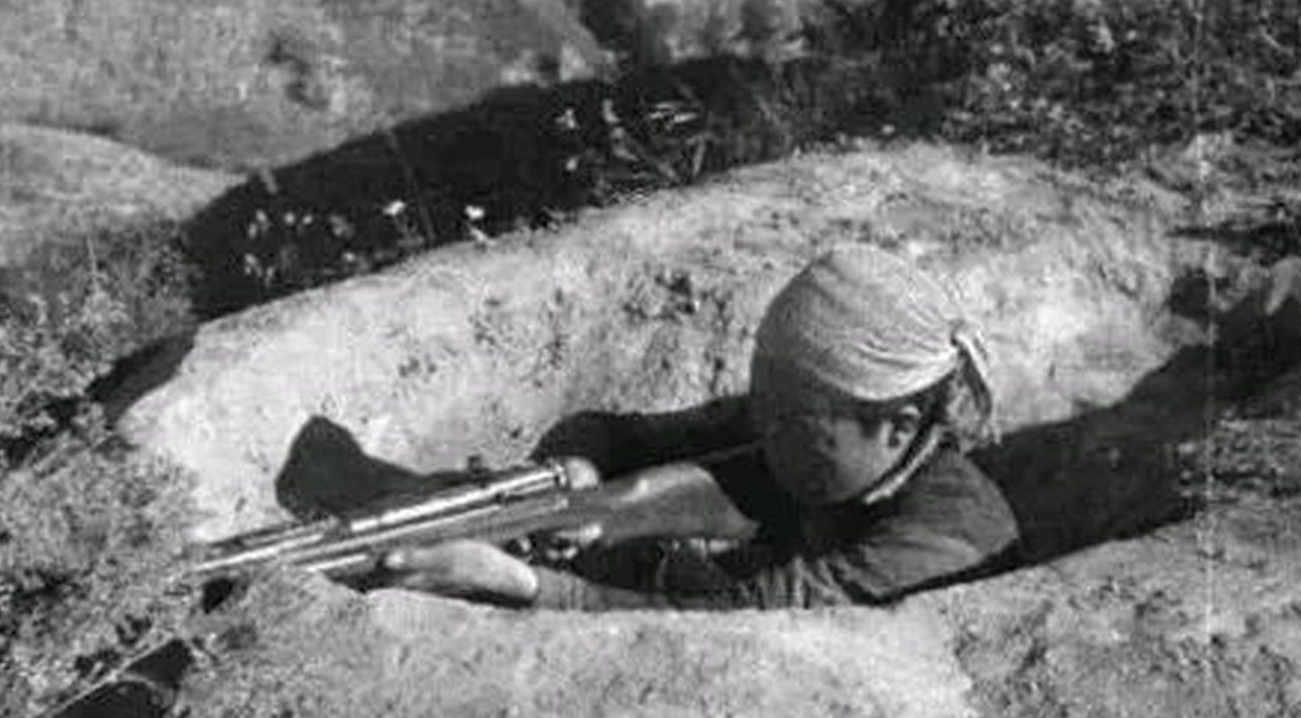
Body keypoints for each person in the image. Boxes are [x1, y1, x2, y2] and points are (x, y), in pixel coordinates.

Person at [380, 244, 1022, 608]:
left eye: (790, 420)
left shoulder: (949, 536)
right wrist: (565, 479)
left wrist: (522, 585)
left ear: (898, 425)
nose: (760, 428)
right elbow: (618, 434)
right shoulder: (795, 424)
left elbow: (742, 625)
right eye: (761, 401)